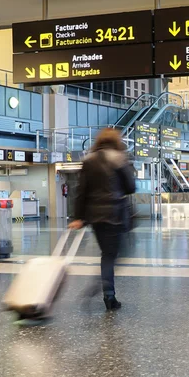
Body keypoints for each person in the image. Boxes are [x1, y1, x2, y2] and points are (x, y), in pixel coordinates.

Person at [69, 128, 136, 311]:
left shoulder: (88, 160)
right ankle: (103, 290)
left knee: (107, 254)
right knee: (118, 254)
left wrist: (78, 217)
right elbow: (131, 187)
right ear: (116, 141)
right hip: (115, 214)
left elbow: (81, 192)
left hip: (95, 217)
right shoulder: (119, 158)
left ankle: (108, 293)